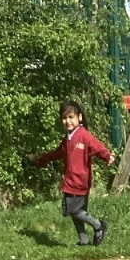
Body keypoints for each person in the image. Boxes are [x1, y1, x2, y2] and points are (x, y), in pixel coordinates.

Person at [35, 100, 114, 246]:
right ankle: (84, 240)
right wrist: (44, 159)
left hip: (80, 181)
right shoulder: (68, 138)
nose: (68, 121)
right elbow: (58, 153)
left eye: (71, 117)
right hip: (70, 181)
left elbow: (97, 147)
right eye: (64, 118)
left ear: (80, 117)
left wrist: (107, 156)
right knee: (75, 212)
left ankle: (98, 226)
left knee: (75, 211)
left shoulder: (84, 135)